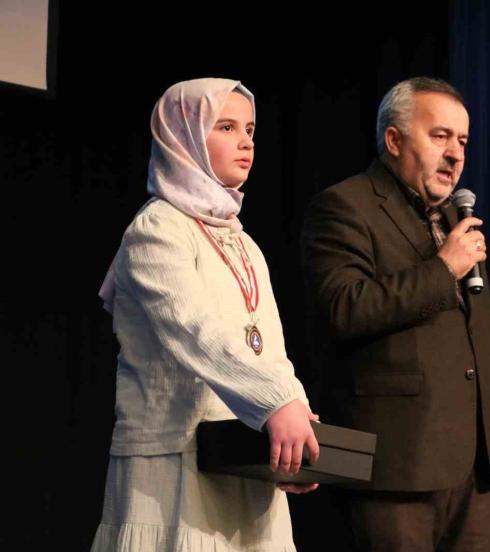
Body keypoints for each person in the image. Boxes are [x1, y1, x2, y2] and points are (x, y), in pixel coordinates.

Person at [92, 78, 319, 552]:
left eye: (250, 130)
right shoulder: (157, 229)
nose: (246, 142)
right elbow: (193, 330)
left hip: (243, 452)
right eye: (227, 127)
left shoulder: (243, 241)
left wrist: (297, 427)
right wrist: (276, 403)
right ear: (184, 137)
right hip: (175, 459)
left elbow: (271, 350)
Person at [300, 77, 490, 551]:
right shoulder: (344, 206)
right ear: (394, 140)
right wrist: (442, 270)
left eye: (462, 141)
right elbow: (344, 307)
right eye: (440, 136)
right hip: (392, 467)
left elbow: (480, 343)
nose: (455, 154)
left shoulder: (457, 219)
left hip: (470, 471)